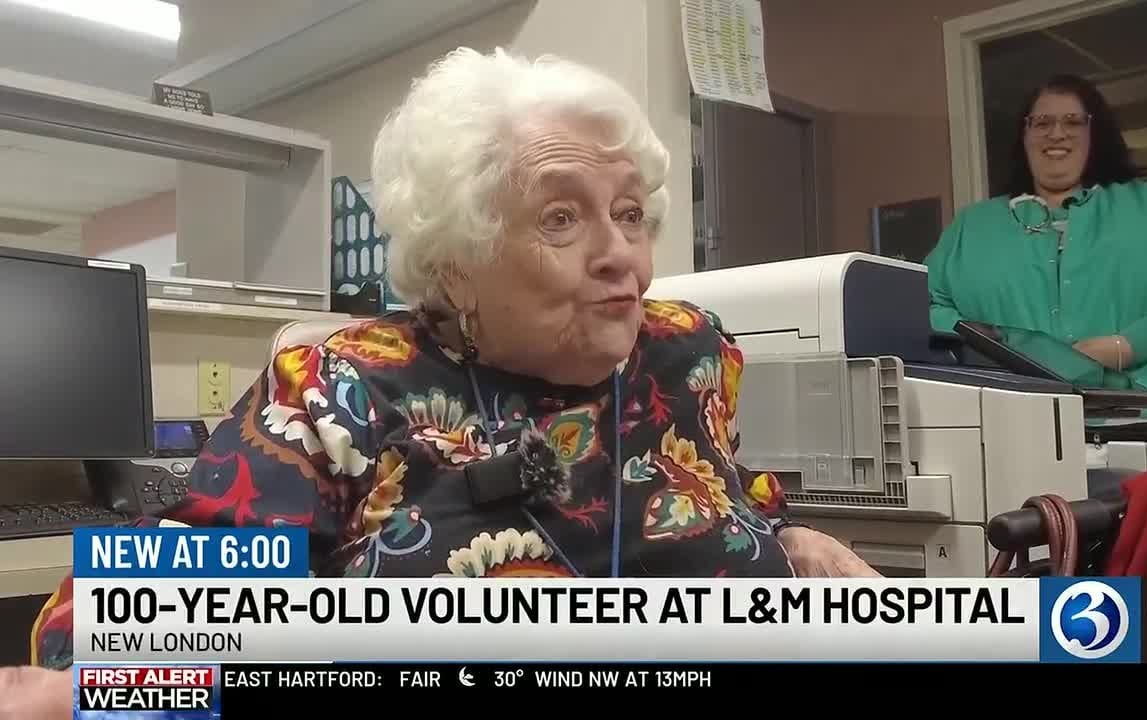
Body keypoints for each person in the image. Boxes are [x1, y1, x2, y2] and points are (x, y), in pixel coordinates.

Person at [0, 47, 876, 718]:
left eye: (630, 214)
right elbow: (133, 613)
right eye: (562, 217)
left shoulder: (687, 350)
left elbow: (721, 487)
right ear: (458, 262)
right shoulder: (340, 388)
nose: (621, 255)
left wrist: (789, 537)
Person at [925, 73, 1147, 464]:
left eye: (1073, 121)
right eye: (1042, 122)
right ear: (1024, 136)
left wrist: (1130, 344)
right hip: (1020, 439)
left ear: (1096, 133)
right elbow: (925, 306)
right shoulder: (972, 226)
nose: (1056, 133)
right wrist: (1000, 351)